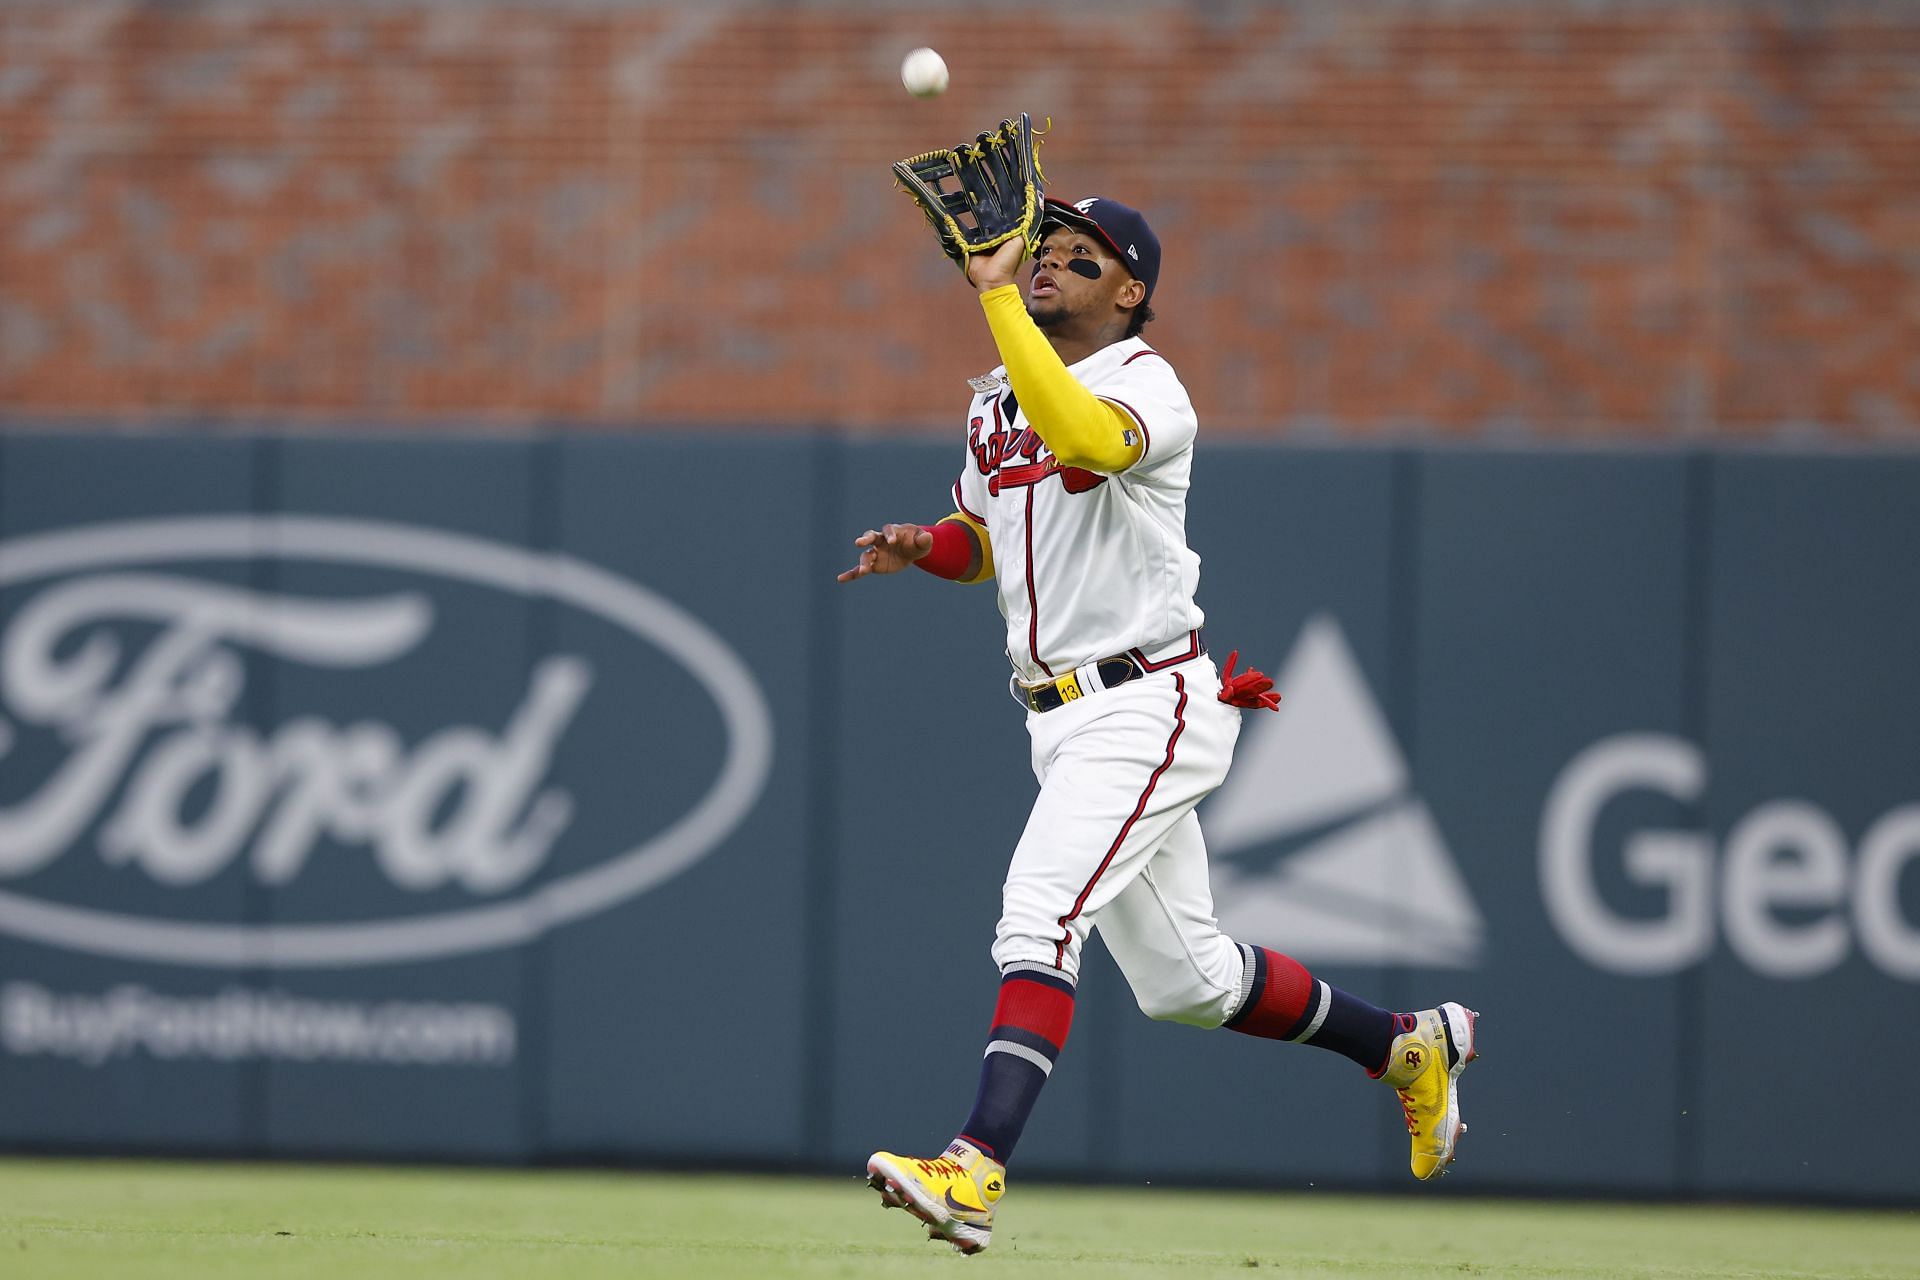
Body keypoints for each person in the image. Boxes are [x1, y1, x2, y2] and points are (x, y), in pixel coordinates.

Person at [838, 196, 1478, 1256]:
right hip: (1063, 717)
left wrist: (994, 296)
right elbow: (983, 535)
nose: (1045, 267)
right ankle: (1408, 1045)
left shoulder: (1146, 383)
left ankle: (974, 1168)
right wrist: (925, 542)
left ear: (1130, 291)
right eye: (1039, 256)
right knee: (1191, 983)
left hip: (1148, 700)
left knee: (1038, 912)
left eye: (1077, 260)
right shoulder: (999, 395)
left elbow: (1085, 438)